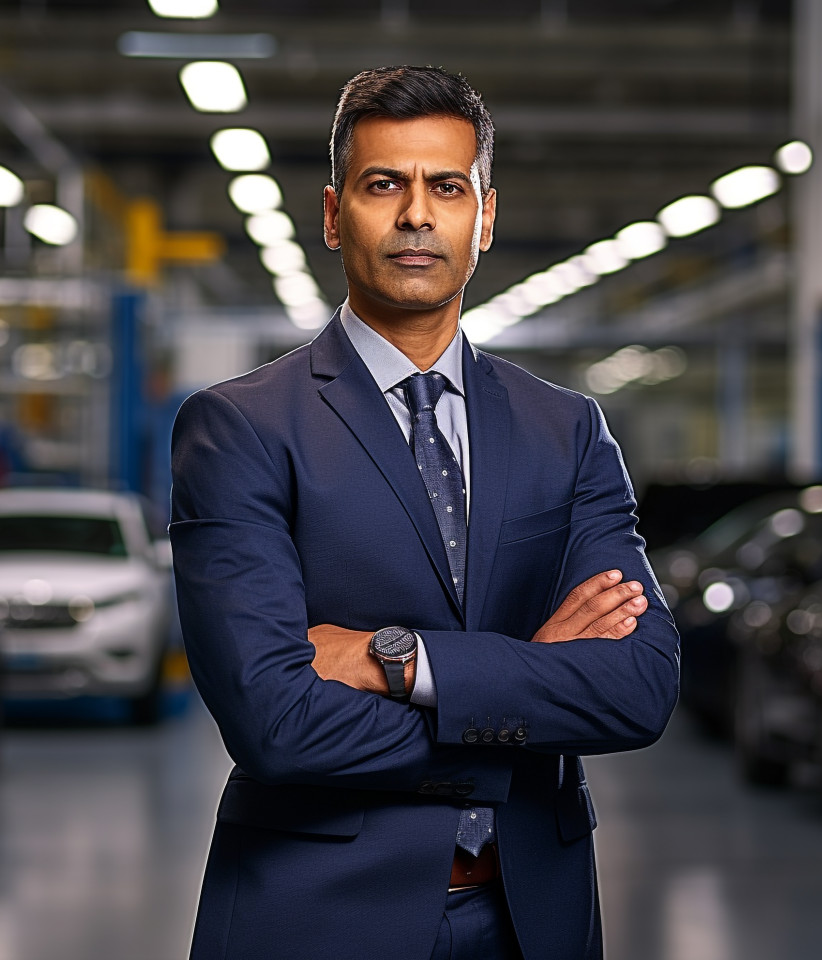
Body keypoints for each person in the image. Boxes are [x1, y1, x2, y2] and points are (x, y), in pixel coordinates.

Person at [170, 64, 680, 960]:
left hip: (535, 919)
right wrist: (529, 685)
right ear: (335, 216)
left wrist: (396, 662)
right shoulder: (240, 428)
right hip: (316, 915)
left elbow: (638, 688)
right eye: (384, 185)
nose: (416, 214)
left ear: (484, 215)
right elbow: (275, 723)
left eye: (447, 186)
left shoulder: (566, 430)